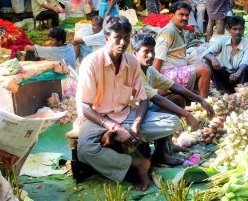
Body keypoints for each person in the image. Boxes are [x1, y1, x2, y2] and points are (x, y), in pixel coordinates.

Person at [77, 16, 181, 191]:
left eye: (126, 37)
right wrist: (115, 128)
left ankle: (119, 138)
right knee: (85, 150)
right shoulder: (91, 63)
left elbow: (142, 100)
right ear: (106, 38)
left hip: (125, 114)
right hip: (98, 118)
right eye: (117, 37)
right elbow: (86, 107)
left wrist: (136, 125)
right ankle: (137, 163)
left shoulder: (132, 62)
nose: (123, 42)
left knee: (172, 122)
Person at [131, 33, 214, 131]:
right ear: (135, 53)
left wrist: (201, 100)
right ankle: (162, 139)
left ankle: (166, 142)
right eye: (145, 51)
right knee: (169, 105)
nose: (150, 55)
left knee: (178, 98)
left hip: (147, 107)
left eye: (152, 51)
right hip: (135, 115)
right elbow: (157, 99)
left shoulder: (150, 70)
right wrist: (186, 114)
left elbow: (174, 85)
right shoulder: (135, 73)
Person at [154, 2, 212, 97]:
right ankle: (204, 103)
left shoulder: (179, 30)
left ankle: (196, 99)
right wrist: (155, 85)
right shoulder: (169, 31)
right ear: (172, 15)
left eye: (187, 15)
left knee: (201, 65)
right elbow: (158, 59)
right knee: (204, 69)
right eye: (181, 15)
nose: (185, 18)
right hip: (167, 74)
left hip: (175, 70)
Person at [203, 15, 248, 94]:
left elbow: (246, 61)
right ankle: (222, 89)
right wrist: (213, 59)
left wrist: (237, 73)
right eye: (235, 29)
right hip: (225, 75)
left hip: (240, 76)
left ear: (243, 30)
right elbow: (206, 53)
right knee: (208, 61)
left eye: (240, 29)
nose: (238, 32)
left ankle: (240, 90)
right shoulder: (223, 40)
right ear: (229, 30)